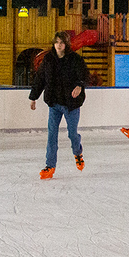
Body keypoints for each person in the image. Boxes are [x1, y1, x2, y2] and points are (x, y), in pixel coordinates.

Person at [29, 30, 89, 179]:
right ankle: (50, 166)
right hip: (54, 103)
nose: (59, 45)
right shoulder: (48, 60)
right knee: (52, 136)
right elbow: (40, 79)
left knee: (72, 134)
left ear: (66, 44)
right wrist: (33, 97)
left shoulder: (75, 59)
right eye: (57, 42)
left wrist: (79, 85)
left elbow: (84, 75)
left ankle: (77, 153)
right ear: (54, 44)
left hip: (71, 104)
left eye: (62, 42)